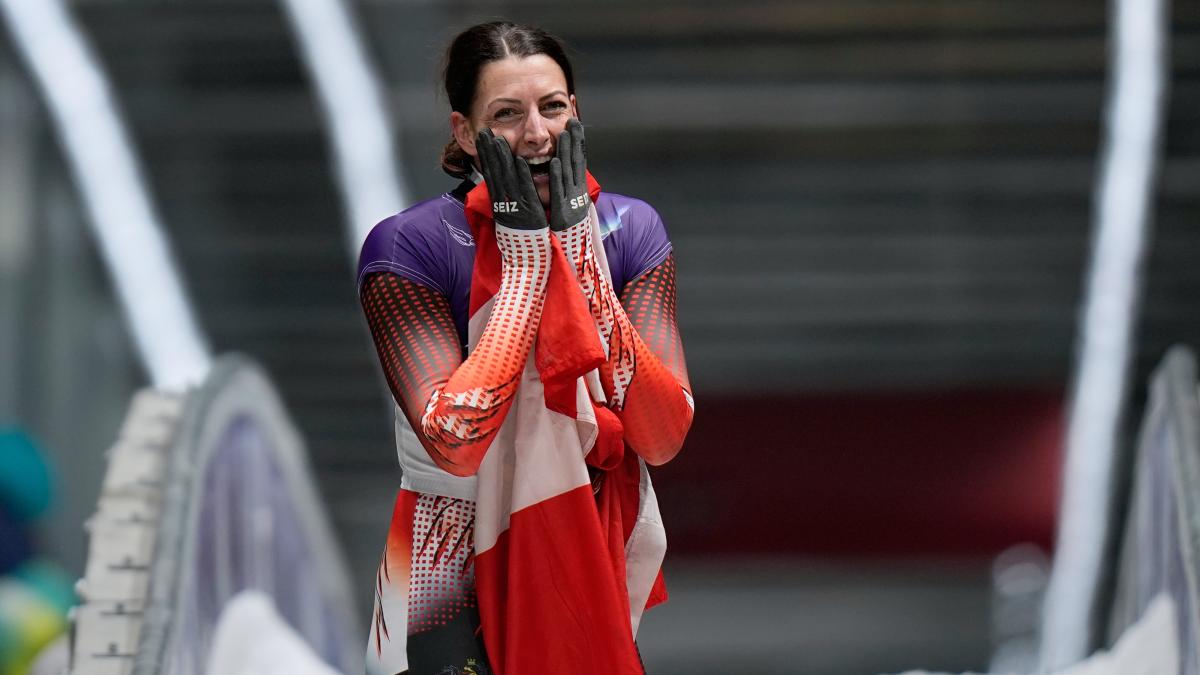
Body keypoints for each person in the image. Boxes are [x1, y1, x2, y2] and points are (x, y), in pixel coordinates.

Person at [356, 21, 693, 675]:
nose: (536, 134)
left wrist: (580, 261)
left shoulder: (630, 229)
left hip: (586, 543)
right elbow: (454, 440)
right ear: (464, 133)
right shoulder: (407, 246)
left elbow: (662, 433)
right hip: (440, 566)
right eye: (506, 115)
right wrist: (530, 263)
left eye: (552, 108)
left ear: (577, 114)